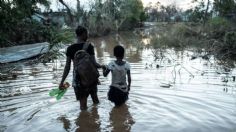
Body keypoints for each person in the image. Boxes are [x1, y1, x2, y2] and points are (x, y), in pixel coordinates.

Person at [59, 25, 102, 110]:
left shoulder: (70, 48)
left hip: (78, 80)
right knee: (95, 101)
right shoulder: (89, 46)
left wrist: (62, 82)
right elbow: (94, 63)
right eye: (87, 34)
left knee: (83, 106)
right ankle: (96, 120)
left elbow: (67, 67)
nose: (88, 36)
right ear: (83, 34)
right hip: (91, 78)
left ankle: (83, 121)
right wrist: (102, 67)